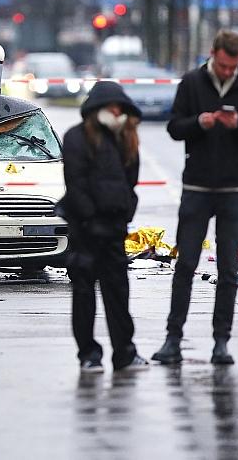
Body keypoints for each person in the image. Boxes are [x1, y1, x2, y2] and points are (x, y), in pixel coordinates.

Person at [152, 30, 238, 365]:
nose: (226, 72)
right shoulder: (191, 82)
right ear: (213, 54)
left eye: (231, 67)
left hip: (235, 189)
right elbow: (174, 127)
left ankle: (222, 342)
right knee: (186, 264)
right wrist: (200, 122)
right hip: (197, 188)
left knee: (229, 269)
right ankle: (172, 339)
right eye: (221, 66)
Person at [58, 81, 148, 373]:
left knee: (118, 294)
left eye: (120, 107)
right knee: (84, 294)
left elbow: (129, 183)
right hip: (85, 231)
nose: (117, 111)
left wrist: (123, 214)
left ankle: (124, 352)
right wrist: (88, 218)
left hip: (113, 230)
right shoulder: (76, 138)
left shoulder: (126, 138)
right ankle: (88, 354)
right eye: (112, 106)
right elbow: (76, 183)